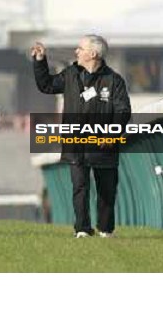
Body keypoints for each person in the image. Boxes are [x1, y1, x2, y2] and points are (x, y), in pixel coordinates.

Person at [31, 35, 131, 238]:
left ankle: (105, 229)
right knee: (80, 188)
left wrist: (110, 135)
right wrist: (40, 62)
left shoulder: (114, 81)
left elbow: (123, 111)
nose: (76, 51)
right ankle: (83, 229)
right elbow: (47, 85)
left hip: (104, 145)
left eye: (80, 48)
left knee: (106, 190)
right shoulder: (70, 74)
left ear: (93, 54)